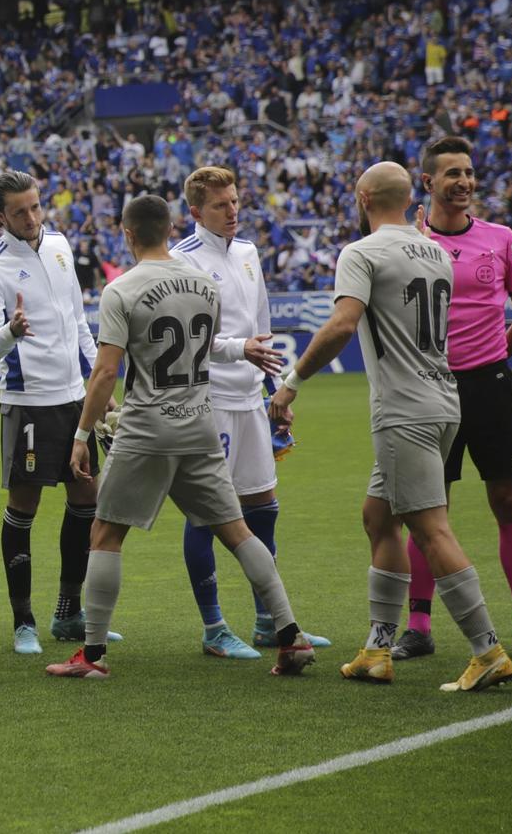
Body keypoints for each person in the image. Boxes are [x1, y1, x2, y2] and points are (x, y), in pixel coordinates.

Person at [46, 196, 317, 680]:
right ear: (171, 228)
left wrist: (82, 434)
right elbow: (206, 348)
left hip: (148, 427)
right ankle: (290, 634)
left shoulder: (121, 289)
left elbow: (107, 371)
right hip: (199, 422)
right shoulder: (203, 285)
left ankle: (91, 656)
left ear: (128, 234)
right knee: (237, 531)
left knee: (106, 534)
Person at [270, 162, 512, 692]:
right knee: (378, 517)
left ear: (363, 197)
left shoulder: (361, 253)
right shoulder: (436, 251)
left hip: (404, 410)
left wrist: (291, 383)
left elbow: (342, 324)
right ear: (410, 198)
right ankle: (378, 649)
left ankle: (488, 649)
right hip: (443, 400)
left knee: (431, 530)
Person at [397, 137, 512, 662]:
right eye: (452, 174)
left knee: (509, 502)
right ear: (428, 183)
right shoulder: (407, 242)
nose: (464, 182)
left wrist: (490, 356)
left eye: (469, 172)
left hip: (489, 387)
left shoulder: (502, 239)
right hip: (428, 389)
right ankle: (418, 625)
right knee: (425, 511)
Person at [171, 166, 326, 659]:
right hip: (209, 400)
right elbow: (191, 342)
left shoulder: (247, 253)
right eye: (220, 205)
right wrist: (241, 351)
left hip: (250, 399)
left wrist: (276, 389)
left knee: (263, 508)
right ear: (196, 212)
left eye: (235, 201)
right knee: (205, 515)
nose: (233, 211)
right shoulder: (182, 261)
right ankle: (214, 628)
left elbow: (262, 324)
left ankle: (267, 621)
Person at [0, 171, 109, 655]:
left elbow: (77, 320)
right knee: (23, 508)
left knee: (87, 500)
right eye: (20, 211)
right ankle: (22, 620)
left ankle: (68, 612)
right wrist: (11, 330)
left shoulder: (60, 245)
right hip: (27, 404)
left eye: (36, 206)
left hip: (75, 398)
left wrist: (97, 381)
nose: (32, 217)